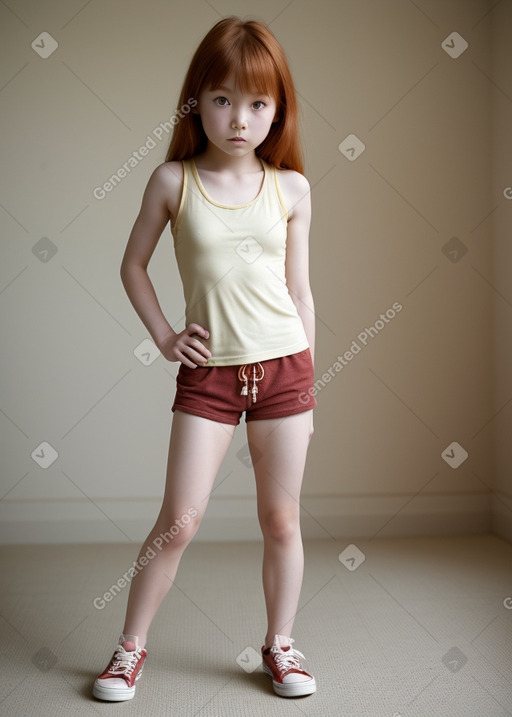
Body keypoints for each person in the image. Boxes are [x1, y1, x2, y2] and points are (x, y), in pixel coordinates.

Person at [93, 15, 317, 702]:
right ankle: (129, 649)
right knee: (179, 521)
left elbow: (300, 288)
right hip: (210, 376)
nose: (240, 118)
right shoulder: (171, 181)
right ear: (198, 101)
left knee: (281, 519)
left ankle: (279, 645)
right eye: (223, 99)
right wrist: (165, 335)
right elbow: (132, 265)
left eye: (258, 103)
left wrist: (314, 384)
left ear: (278, 109)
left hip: (286, 370)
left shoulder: (292, 189)